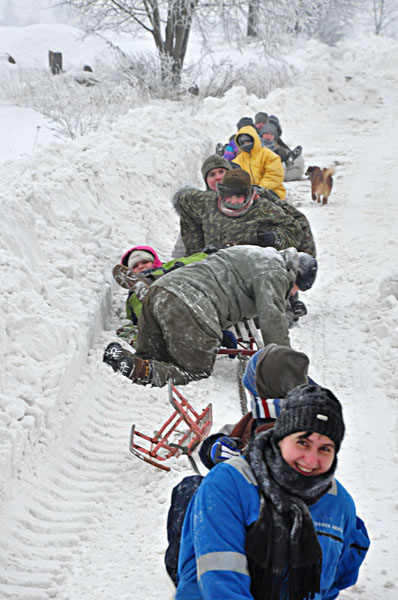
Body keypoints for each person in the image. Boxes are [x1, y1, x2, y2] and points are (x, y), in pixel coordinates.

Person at [175, 384, 370, 599]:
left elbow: (336, 581)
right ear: (280, 438)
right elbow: (222, 583)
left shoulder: (339, 504)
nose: (311, 460)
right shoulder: (229, 483)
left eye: (325, 448)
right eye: (302, 442)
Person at [104, 245, 317, 387]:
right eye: (295, 289)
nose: (291, 294)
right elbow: (273, 321)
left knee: (154, 357)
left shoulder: (253, 253)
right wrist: (289, 372)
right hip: (190, 304)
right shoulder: (274, 271)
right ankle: (141, 371)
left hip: (159, 292)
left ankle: (128, 361)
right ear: (295, 274)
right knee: (195, 371)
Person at [176, 167, 302, 257]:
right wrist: (196, 249)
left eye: (239, 197)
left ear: (248, 194)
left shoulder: (264, 208)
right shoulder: (207, 202)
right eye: (229, 196)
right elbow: (184, 201)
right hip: (211, 266)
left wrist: (276, 238)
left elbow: (294, 230)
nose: (233, 201)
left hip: (249, 269)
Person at [232, 124, 287, 200]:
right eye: (242, 142)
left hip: (271, 192)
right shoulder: (237, 161)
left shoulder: (269, 155)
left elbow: (274, 175)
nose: (246, 144)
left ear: (254, 139)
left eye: (248, 141)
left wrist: (260, 188)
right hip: (249, 195)